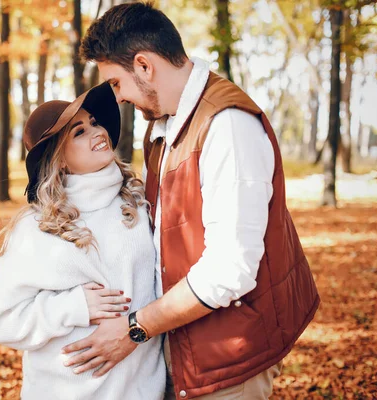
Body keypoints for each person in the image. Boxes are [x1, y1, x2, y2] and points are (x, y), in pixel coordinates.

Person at [61, 3, 321, 399]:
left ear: (144, 66)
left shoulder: (227, 126)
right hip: (180, 343)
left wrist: (136, 328)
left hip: (231, 353)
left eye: (116, 83)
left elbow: (229, 270)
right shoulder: (163, 126)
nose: (119, 99)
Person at [0, 82, 166, 400]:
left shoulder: (138, 201)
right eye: (78, 132)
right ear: (60, 159)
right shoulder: (36, 226)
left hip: (142, 390)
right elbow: (1, 321)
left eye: (94, 122)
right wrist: (72, 306)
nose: (96, 131)